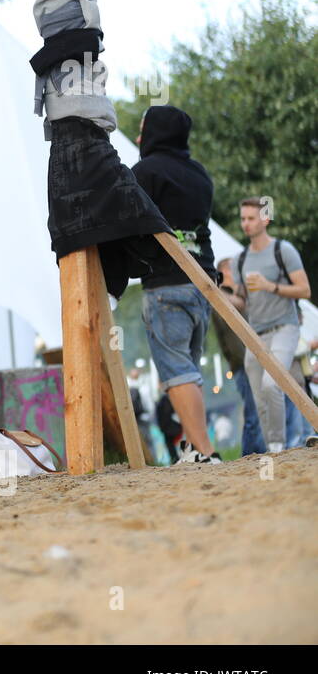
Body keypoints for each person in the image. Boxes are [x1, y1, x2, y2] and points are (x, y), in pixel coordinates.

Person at [130, 106, 219, 463]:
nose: (138, 138)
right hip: (204, 283)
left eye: (143, 130)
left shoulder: (145, 172)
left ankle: (203, 451)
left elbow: (128, 224)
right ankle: (194, 449)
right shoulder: (199, 174)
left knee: (177, 373)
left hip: (166, 285)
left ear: (157, 133)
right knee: (189, 374)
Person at [225, 197, 312, 452]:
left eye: (251, 218)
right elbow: (243, 300)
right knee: (259, 396)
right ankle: (274, 450)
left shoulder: (283, 250)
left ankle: (277, 446)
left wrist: (269, 285)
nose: (245, 224)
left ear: (265, 219)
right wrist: (225, 296)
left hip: (284, 328)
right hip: (255, 335)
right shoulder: (239, 260)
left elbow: (305, 290)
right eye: (243, 219)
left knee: (272, 384)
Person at [213, 257, 262, 455]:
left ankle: (256, 453)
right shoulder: (219, 296)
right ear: (225, 271)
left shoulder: (234, 296)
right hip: (242, 363)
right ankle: (251, 455)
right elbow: (237, 306)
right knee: (253, 412)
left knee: (257, 411)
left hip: (250, 362)